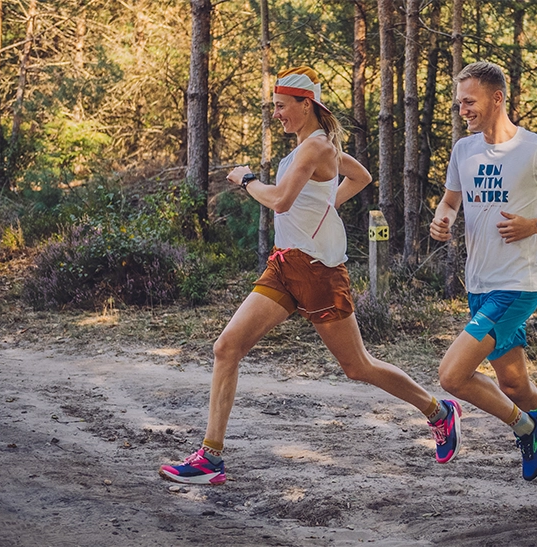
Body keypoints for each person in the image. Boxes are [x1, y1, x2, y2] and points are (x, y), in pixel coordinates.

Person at [160, 66, 461, 485]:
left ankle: (439, 411)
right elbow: (361, 177)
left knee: (356, 366)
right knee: (227, 347)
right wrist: (326, 205)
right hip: (285, 265)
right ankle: (211, 458)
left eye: (282, 107)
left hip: (319, 270)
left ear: (306, 105)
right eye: (275, 107)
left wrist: (247, 179)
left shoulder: (316, 147)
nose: (277, 115)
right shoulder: (310, 146)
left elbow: (280, 201)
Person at [430, 61, 537, 514]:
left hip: (517, 285)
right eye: (459, 100)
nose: (462, 108)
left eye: (469, 100)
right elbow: (451, 199)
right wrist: (443, 219)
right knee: (514, 384)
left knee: (452, 376)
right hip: (480, 284)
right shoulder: (464, 150)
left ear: (496, 98)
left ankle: (527, 430)